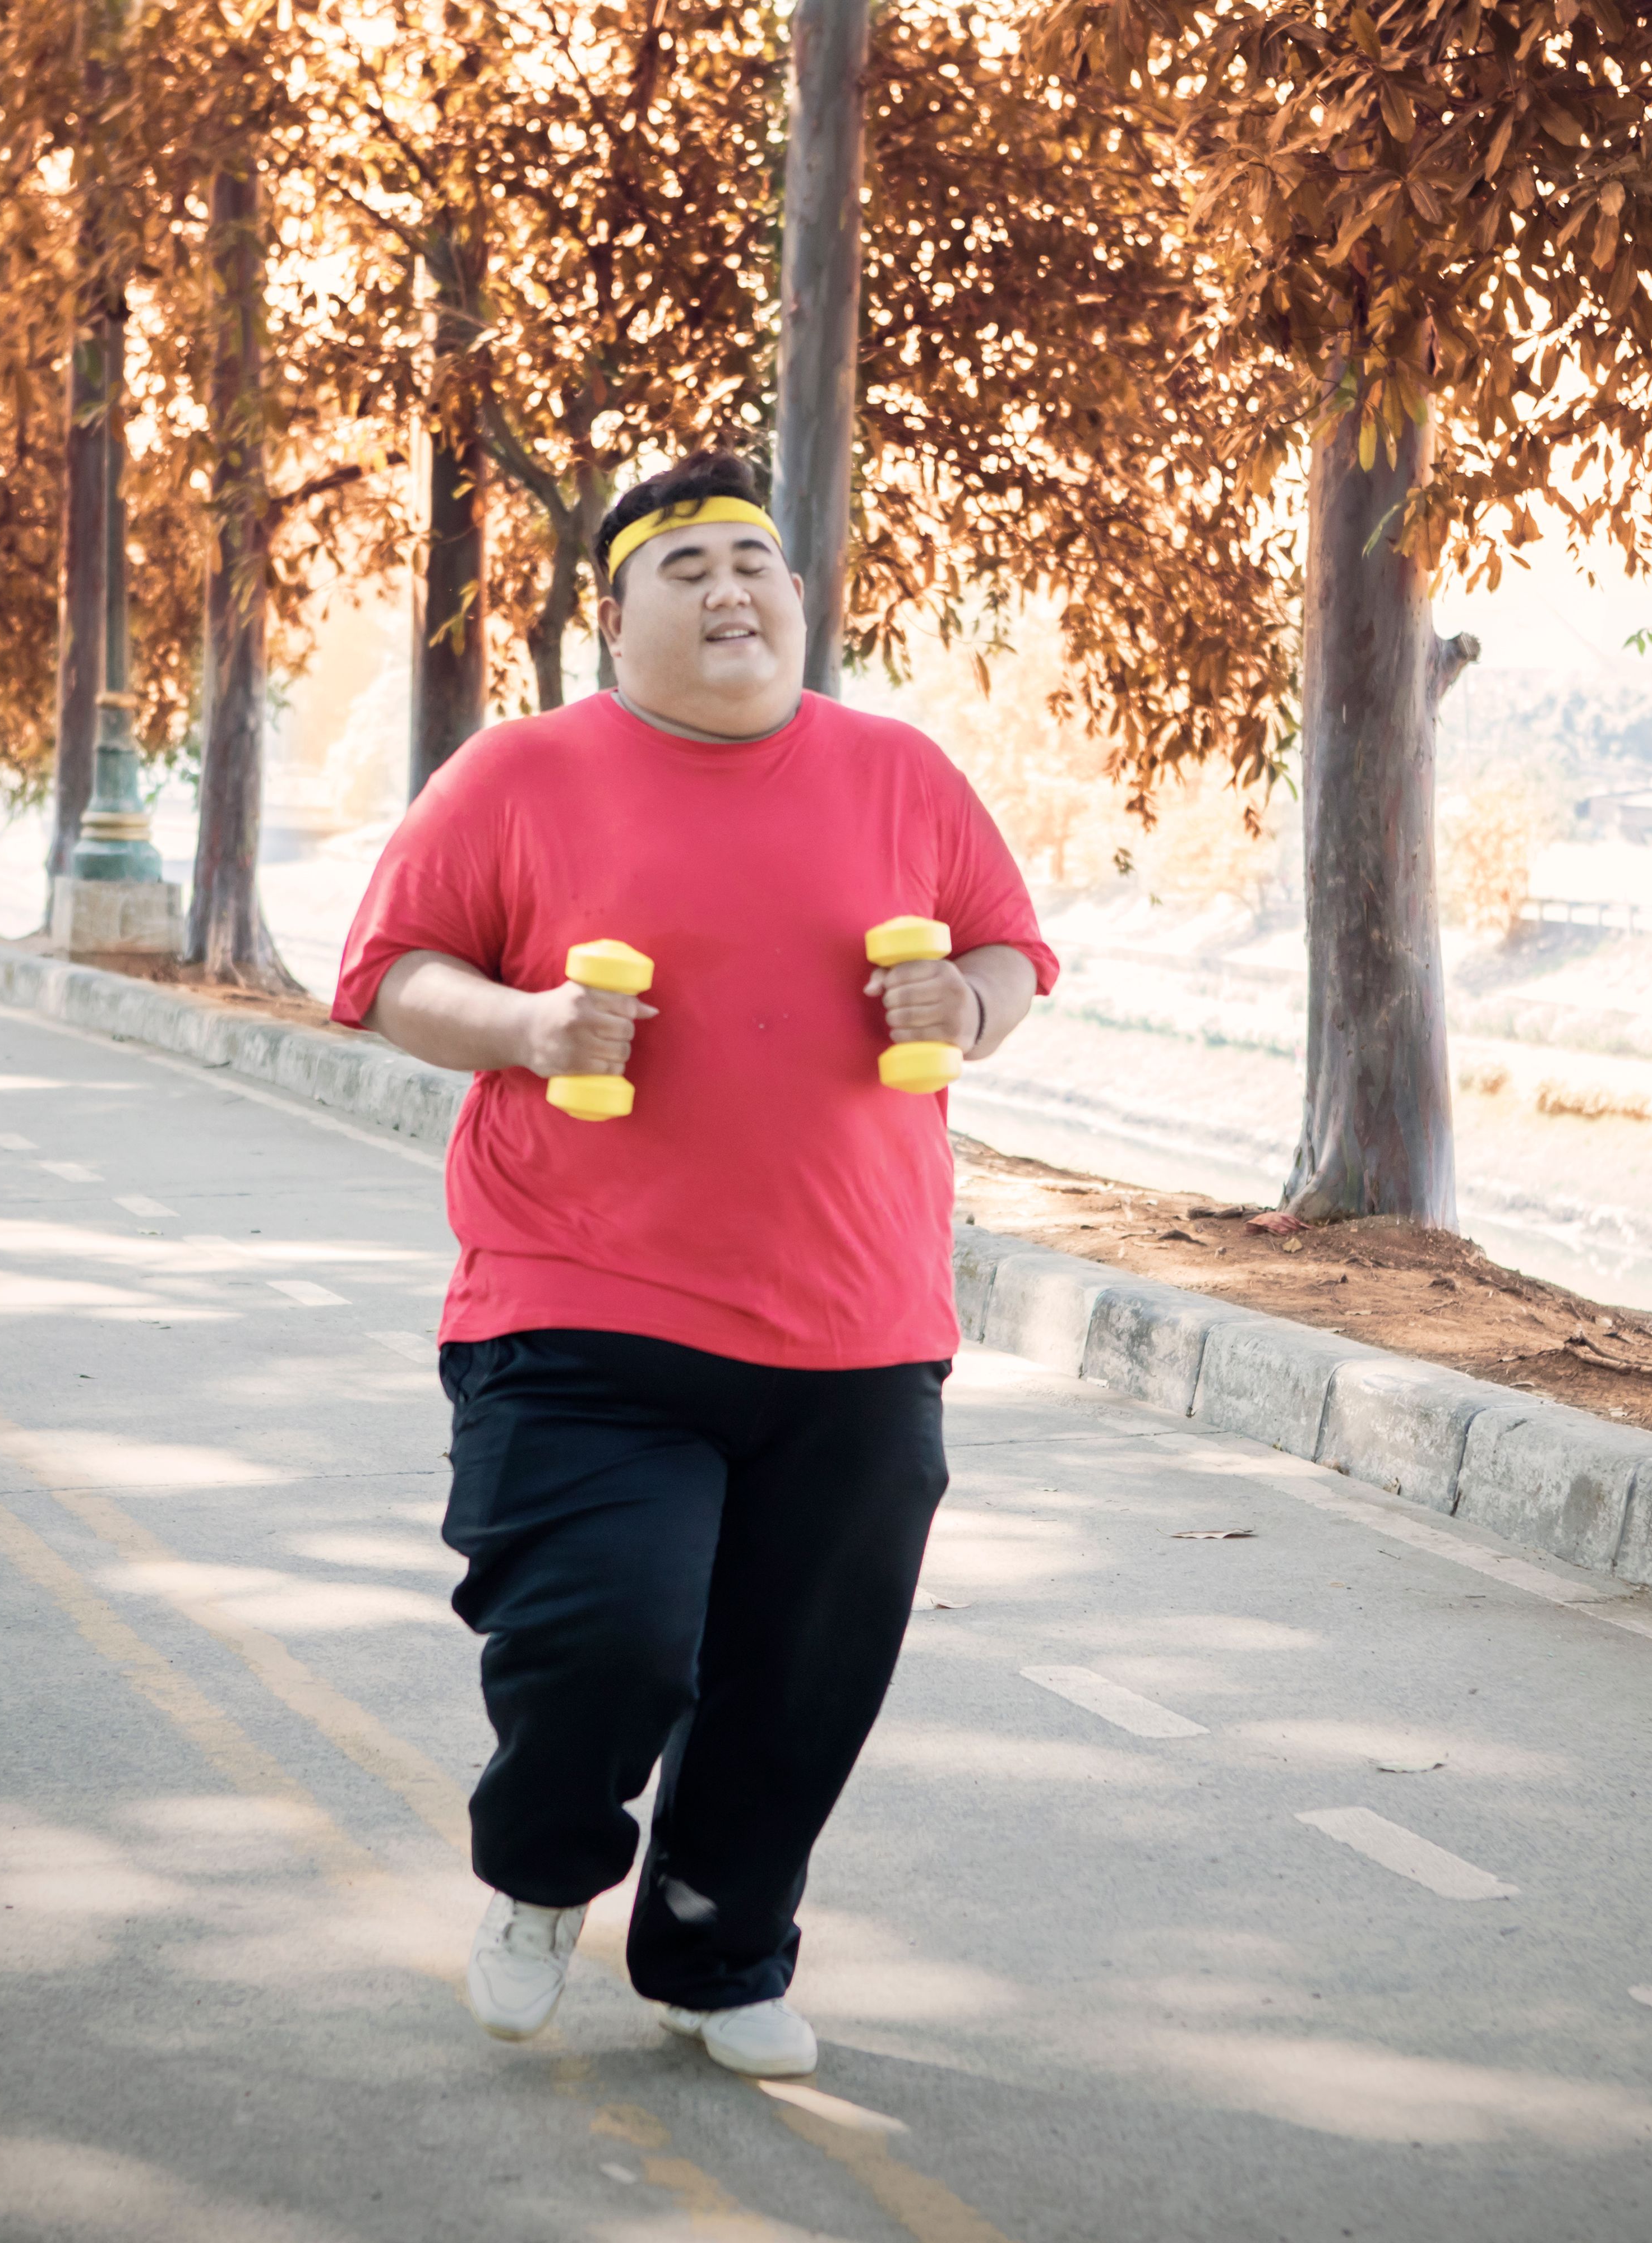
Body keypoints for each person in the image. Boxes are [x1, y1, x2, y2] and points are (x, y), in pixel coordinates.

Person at [333, 452, 1054, 2079]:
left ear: (798, 597)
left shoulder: (900, 772)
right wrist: (525, 1025)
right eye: (689, 568)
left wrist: (976, 1007)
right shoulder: (520, 773)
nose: (734, 589)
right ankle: (537, 1875)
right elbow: (387, 977)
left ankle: (719, 1961)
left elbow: (1011, 946)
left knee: (805, 1680)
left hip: (859, 1326)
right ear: (613, 616)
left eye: (759, 561)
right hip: (579, 1303)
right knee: (609, 1633)